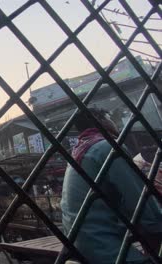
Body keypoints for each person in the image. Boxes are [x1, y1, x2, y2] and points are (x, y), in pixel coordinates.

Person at [61, 108, 162, 264]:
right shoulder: (107, 147)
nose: (115, 123)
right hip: (103, 245)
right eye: (110, 117)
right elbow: (140, 201)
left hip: (78, 241)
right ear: (99, 119)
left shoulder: (80, 150)